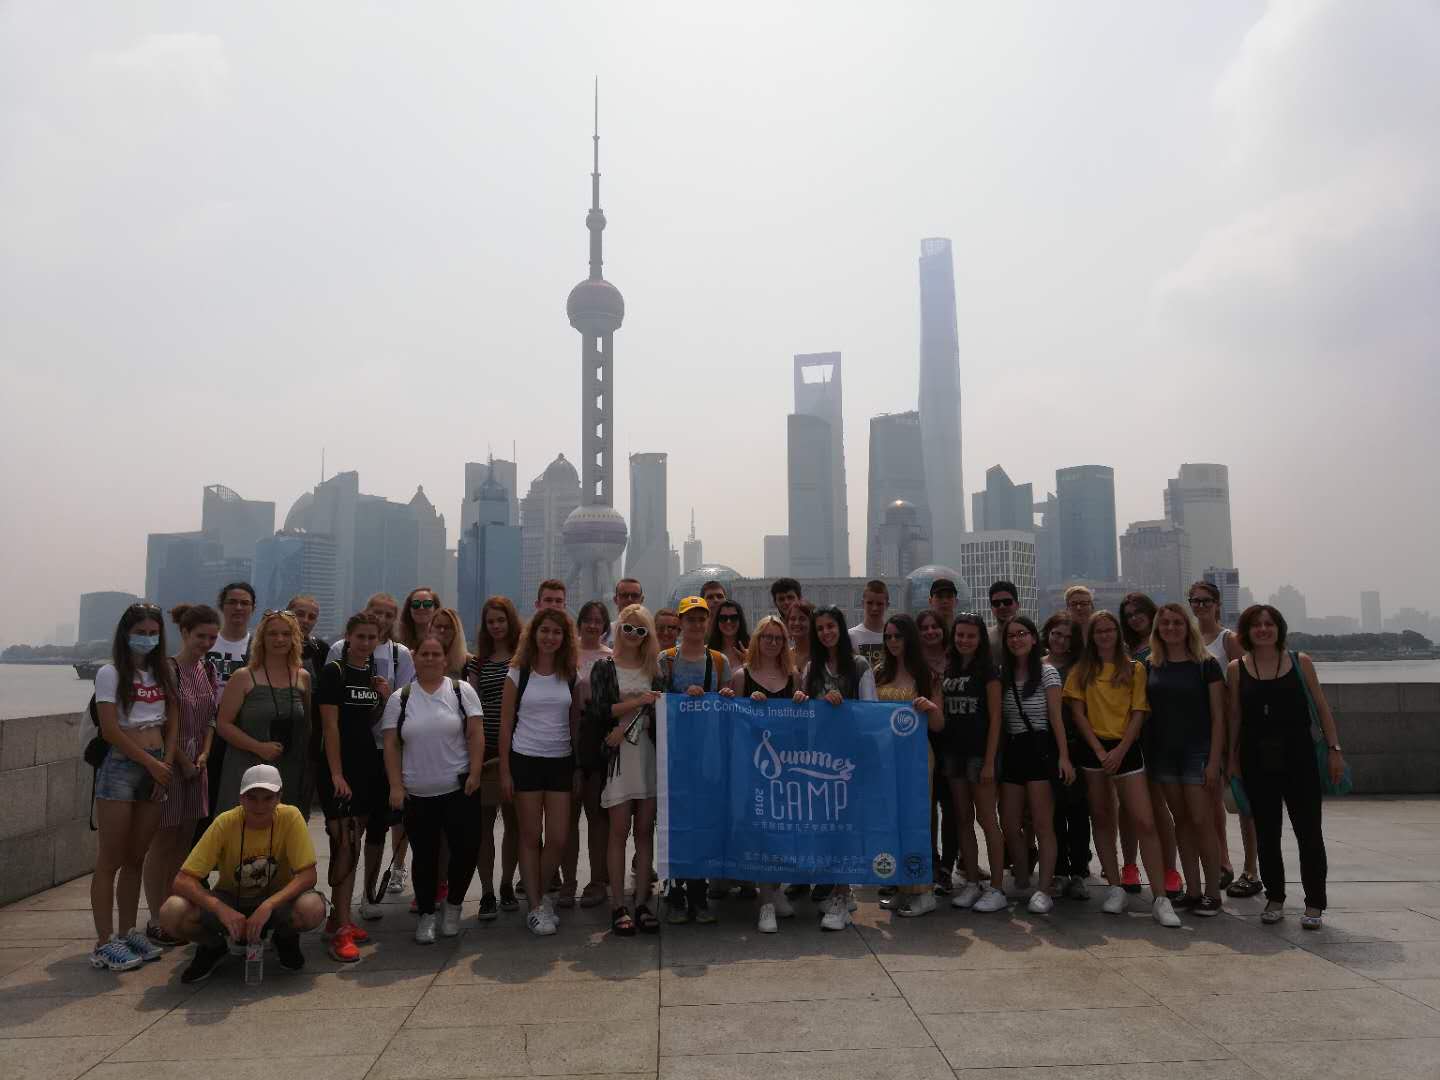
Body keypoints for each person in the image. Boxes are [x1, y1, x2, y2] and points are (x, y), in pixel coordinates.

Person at [1229, 605, 1343, 930]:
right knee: (1267, 834)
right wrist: (1231, 759)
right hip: (1256, 758)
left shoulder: (1300, 661)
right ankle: (1275, 897)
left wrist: (1334, 749)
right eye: (1256, 625)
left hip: (1299, 757)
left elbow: (1321, 707)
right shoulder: (1237, 668)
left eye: (1269, 624)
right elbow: (1235, 716)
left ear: (1279, 628)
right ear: (1247, 632)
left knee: (1309, 833)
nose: (1263, 629)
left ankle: (1314, 903)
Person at [1065, 611, 1181, 928]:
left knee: (1145, 821)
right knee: (1102, 818)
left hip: (1126, 749)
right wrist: (1100, 751)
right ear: (1091, 637)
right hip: (1093, 751)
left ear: (1118, 633)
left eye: (1109, 630)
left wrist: (1119, 750)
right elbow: (1078, 714)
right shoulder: (1081, 670)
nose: (1104, 635)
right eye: (1098, 631)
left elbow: (1138, 712)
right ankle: (1115, 887)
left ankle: (1160, 897)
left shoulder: (1134, 668)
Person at [158, 764, 326, 983]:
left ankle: (284, 938)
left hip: (275, 901)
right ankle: (213, 946)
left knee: (312, 908)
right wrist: (220, 909)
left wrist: (268, 905)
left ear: (279, 797)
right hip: (231, 898)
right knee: (171, 912)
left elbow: (308, 875)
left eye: (268, 798)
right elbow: (182, 880)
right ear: (240, 798)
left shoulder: (291, 817)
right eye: (252, 798)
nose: (260, 806)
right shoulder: (225, 822)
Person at [89, 603, 179, 971]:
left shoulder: (163, 672)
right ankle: (104, 941)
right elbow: (110, 729)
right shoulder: (110, 673)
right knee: (110, 857)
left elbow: (174, 721)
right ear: (126, 633)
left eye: (153, 632)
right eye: (140, 632)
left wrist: (165, 764)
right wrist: (152, 765)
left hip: (157, 765)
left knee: (136, 857)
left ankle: (128, 931)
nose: (147, 638)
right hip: (122, 766)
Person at [382, 636, 486, 942]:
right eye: (424, 654)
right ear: (415, 659)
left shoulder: (460, 690)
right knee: (425, 857)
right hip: (418, 792)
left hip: (459, 788)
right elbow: (391, 744)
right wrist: (395, 785)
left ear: (445, 659)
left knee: (465, 851)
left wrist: (476, 772)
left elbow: (476, 732)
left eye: (435, 653)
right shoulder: (400, 698)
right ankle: (426, 914)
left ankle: (453, 906)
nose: (429, 658)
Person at [328, 594, 416, 910]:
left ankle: (369, 895)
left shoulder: (399, 654)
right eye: (376, 612)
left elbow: (406, 702)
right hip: (352, 750)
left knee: (379, 826)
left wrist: (386, 694)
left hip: (385, 749)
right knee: (351, 829)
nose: (382, 618)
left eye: (389, 614)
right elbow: (330, 705)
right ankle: (342, 903)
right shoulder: (340, 650)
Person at [500, 607, 583, 936]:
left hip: (560, 760)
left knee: (558, 838)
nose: (550, 637)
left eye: (557, 632)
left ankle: (541, 894)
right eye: (545, 630)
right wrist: (505, 771)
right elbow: (506, 724)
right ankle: (535, 906)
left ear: (565, 638)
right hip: (526, 758)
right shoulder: (518, 672)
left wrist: (577, 766)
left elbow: (574, 723)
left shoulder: (570, 673)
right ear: (534, 634)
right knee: (530, 836)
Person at [142, 603, 219, 946]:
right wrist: (183, 761)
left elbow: (211, 718)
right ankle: (156, 916)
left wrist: (204, 753)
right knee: (162, 843)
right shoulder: (168, 670)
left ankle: (176, 909)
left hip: (198, 765)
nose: (206, 643)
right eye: (200, 636)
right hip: (170, 765)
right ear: (185, 633)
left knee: (184, 844)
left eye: (212, 637)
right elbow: (159, 724)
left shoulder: (209, 669)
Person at [796, 606, 877, 931]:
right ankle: (837, 889)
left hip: (849, 761)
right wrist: (804, 701)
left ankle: (843, 895)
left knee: (846, 827)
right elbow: (805, 715)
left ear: (841, 629)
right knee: (827, 827)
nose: (826, 633)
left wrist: (843, 707)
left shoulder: (859, 666)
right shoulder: (811, 668)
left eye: (831, 626)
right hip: (819, 762)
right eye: (820, 629)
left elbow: (871, 714)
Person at [1145, 603, 1226, 916]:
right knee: (1181, 822)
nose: (1171, 628)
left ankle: (1212, 892)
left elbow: (1219, 717)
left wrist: (1214, 761)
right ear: (1157, 629)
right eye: (1165, 623)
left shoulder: (1206, 664)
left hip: (1197, 753)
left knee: (1202, 821)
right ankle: (1192, 890)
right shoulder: (1151, 665)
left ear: (1187, 626)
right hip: (1163, 754)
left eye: (1177, 622)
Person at [315, 612, 386, 962]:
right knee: (344, 844)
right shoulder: (334, 672)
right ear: (348, 637)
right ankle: (340, 928)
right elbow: (330, 727)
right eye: (360, 637)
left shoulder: (372, 674)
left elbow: (368, 721)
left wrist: (383, 698)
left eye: (372, 637)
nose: (366, 643)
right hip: (340, 770)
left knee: (354, 844)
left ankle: (340, 917)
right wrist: (336, 774)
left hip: (367, 766)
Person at [590, 604, 664, 936]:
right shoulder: (604, 667)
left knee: (645, 831)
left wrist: (648, 706)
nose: (634, 635)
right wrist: (638, 702)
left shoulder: (655, 668)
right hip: (618, 757)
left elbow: (661, 709)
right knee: (618, 832)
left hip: (647, 754)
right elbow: (600, 710)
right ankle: (618, 904)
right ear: (618, 629)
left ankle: (644, 901)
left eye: (641, 630)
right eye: (628, 628)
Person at [661, 596, 734, 924]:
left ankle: (698, 892)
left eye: (701, 618)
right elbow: (657, 700)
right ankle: (675, 892)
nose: (696, 624)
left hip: (708, 755)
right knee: (676, 823)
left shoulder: (718, 661)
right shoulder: (666, 659)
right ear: (680, 623)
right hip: (674, 755)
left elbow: (729, 706)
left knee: (704, 822)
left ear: (707, 623)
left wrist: (726, 696)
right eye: (690, 619)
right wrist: (680, 698)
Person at [998, 616, 1075, 915]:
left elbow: (1056, 718)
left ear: (1033, 638)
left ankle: (1043, 889)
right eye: (1011, 635)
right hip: (1013, 749)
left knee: (1043, 824)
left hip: (1040, 749)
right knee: (1009, 821)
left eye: (1022, 633)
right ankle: (1021, 876)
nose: (1016, 639)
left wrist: (1064, 757)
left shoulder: (1047, 672)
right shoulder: (1003, 673)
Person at [729, 615, 800, 932]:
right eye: (767, 637)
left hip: (787, 767)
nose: (773, 643)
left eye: (779, 638)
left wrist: (802, 702)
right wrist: (746, 705)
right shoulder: (741, 676)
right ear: (757, 640)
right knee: (760, 831)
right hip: (754, 766)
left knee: (783, 830)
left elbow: (802, 723)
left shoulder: (794, 676)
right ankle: (766, 901)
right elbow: (733, 724)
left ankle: (776, 888)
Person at [873, 614, 944, 917]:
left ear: (909, 638)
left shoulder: (926, 675)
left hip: (917, 758)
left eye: (898, 636)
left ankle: (923, 891)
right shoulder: (878, 673)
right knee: (892, 824)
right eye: (888, 637)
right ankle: (903, 889)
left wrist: (930, 707)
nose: (892, 642)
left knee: (917, 822)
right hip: (886, 759)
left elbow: (939, 724)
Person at [1190, 579, 1257, 899]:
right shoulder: (1189, 639)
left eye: (1206, 600)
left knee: (1242, 802)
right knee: (1211, 800)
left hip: (1231, 730)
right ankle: (1223, 863)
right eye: (1195, 601)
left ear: (1217, 604)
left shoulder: (1228, 639)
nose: (1201, 606)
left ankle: (1251, 870)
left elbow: (1244, 685)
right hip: (1201, 730)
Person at [938, 613, 1008, 914]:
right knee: (963, 818)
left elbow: (996, 719)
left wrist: (990, 761)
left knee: (987, 820)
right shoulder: (948, 668)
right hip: (953, 753)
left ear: (980, 640)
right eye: (960, 635)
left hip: (980, 754)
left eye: (970, 636)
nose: (964, 640)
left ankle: (997, 887)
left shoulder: (989, 672)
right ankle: (971, 883)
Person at [215, 610, 311, 814]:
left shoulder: (303, 677)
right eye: (272, 633)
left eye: (286, 634)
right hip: (246, 767)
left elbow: (306, 724)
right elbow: (223, 724)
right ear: (262, 638)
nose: (279, 639)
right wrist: (258, 747)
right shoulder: (243, 676)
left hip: (288, 767)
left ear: (295, 639)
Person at [1116, 592, 1176, 897]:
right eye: (1128, 615)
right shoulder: (1124, 651)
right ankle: (1129, 866)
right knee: (1127, 807)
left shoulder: (1166, 646)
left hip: (1159, 733)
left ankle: (1169, 869)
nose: (1135, 618)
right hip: (1128, 733)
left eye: (1139, 611)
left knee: (1158, 805)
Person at [466, 597, 522, 917]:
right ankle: (487, 890)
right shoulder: (478, 662)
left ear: (510, 622)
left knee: (515, 824)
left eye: (501, 620)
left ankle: (506, 884)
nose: (496, 626)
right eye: (491, 621)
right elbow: (472, 707)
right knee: (483, 826)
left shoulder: (522, 659)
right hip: (485, 750)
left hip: (517, 748)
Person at [564, 599, 613, 909]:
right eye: (588, 619)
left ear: (605, 626)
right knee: (567, 818)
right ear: (579, 623)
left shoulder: (613, 657)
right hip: (564, 740)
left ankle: (597, 881)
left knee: (597, 816)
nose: (593, 625)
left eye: (599, 620)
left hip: (598, 743)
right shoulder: (566, 655)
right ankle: (567, 882)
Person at [197, 582, 255, 839]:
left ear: (252, 608)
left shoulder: (256, 646)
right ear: (222, 606)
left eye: (245, 603)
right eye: (232, 602)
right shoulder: (208, 642)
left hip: (241, 732)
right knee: (203, 803)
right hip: (205, 732)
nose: (238, 608)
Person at [1041, 612, 1092, 899]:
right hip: (1046, 745)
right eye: (1056, 634)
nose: (1060, 640)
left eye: (1067, 636)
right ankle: (1059, 871)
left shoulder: (1081, 667)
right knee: (1054, 811)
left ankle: (1079, 872)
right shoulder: (1037, 666)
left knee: (1079, 810)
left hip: (1078, 744)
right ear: (1047, 634)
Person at [915, 607, 958, 892]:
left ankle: (947, 867)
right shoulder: (913, 662)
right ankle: (930, 860)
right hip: (922, 739)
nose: (930, 632)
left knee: (952, 806)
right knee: (926, 806)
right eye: (924, 628)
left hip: (955, 740)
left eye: (935, 627)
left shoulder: (956, 659)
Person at [289, 594, 330, 683]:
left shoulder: (321, 649)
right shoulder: (274, 644)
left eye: (311, 617)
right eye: (300, 614)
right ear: (287, 615)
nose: (305, 620)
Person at [848, 580, 889, 668]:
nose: (874, 608)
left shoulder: (894, 636)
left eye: (879, 604)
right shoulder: (850, 636)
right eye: (870, 603)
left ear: (887, 605)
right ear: (862, 604)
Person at [707, 598, 751, 676]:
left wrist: (750, 662)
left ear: (740, 620)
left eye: (734, 618)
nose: (728, 622)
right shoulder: (707, 652)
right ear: (717, 621)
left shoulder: (753, 650)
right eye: (723, 618)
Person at [427, 606, 470, 677]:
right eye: (438, 626)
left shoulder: (468, 661)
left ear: (456, 631)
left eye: (447, 627)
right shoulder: (416, 657)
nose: (442, 630)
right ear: (430, 629)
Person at [604, 579, 645, 645]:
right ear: (615, 599)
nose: (629, 599)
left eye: (635, 595)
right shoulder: (605, 632)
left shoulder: (651, 632)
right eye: (624, 595)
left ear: (642, 599)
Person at [987, 581, 1021, 651]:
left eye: (1007, 602)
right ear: (991, 608)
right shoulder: (985, 637)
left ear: (1017, 605)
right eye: (996, 603)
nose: (1002, 606)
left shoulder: (1029, 636)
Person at [786, 599, 815, 674]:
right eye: (792, 619)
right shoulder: (784, 657)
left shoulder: (822, 655)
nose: (796, 623)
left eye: (802, 619)